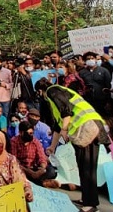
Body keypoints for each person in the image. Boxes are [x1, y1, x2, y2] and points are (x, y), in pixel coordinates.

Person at [36, 79, 107, 212]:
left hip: (88, 129)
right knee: (83, 167)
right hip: (88, 130)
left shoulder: (53, 91)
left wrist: (65, 129)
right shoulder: (59, 95)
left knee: (87, 167)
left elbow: (66, 112)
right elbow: (58, 126)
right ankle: (87, 198)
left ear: (41, 91)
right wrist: (52, 146)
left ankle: (91, 204)